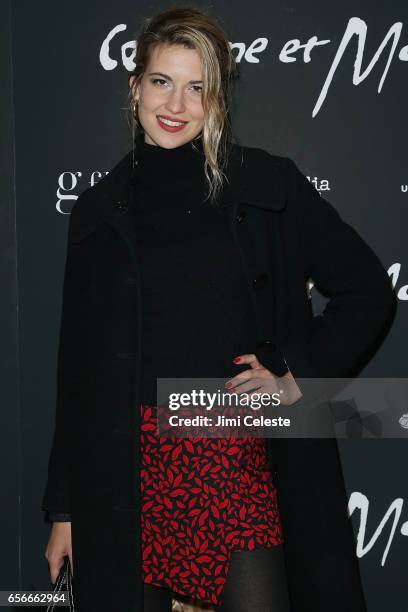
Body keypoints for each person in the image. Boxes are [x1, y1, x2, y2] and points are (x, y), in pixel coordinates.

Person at [42, 6, 396, 612]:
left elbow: (369, 291)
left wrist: (295, 375)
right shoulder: (97, 216)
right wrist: (65, 512)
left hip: (234, 454)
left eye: (196, 87)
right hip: (129, 467)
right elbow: (79, 374)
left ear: (217, 98)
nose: (175, 103)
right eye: (161, 81)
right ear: (134, 89)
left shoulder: (269, 187)